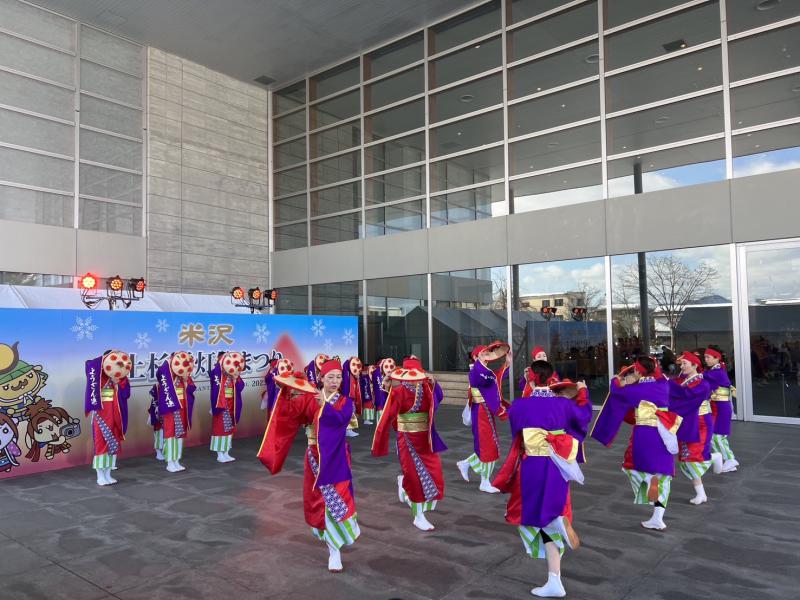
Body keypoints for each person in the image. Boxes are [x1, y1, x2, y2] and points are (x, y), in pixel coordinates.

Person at [492, 360, 588, 598]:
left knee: (529, 515)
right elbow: (583, 418)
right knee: (550, 511)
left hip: (532, 465)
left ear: (531, 379)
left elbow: (515, 430)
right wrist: (583, 392)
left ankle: (555, 572)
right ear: (551, 377)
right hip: (558, 465)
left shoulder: (521, 404)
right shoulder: (563, 404)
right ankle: (554, 575)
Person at [258, 361, 360, 572]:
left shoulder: (345, 402)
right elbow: (292, 414)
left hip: (338, 457)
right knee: (321, 502)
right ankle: (333, 550)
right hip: (315, 457)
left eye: (338, 377)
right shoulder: (310, 398)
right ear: (321, 378)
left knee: (338, 501)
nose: (335, 381)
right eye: (330, 377)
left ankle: (337, 546)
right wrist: (288, 392)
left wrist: (324, 406)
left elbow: (341, 420)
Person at [591, 357, 682, 530]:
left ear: (639, 372)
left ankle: (648, 480)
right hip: (665, 430)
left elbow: (616, 392)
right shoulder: (664, 384)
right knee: (664, 476)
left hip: (645, 433)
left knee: (631, 466)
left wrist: (619, 380)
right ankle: (658, 518)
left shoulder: (636, 390)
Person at [372, 356, 447, 531]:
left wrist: (434, 384)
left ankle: (404, 486)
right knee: (414, 479)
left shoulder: (426, 387)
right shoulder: (399, 391)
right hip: (407, 439)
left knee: (435, 474)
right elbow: (387, 413)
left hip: (426, 439)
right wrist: (386, 390)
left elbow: (438, 400)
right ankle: (418, 516)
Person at [670, 351, 723, 505]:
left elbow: (684, 396)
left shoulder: (702, 384)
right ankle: (701, 493)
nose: (682, 366)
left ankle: (713, 459)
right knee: (687, 458)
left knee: (692, 457)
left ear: (695, 365)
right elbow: (674, 390)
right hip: (688, 420)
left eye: (685, 363)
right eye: (681, 364)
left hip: (700, 423)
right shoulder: (683, 380)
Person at [457, 342, 511, 493]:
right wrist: (481, 362)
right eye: (483, 354)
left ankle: (467, 464)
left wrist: (506, 364)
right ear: (475, 357)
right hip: (480, 411)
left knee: (488, 446)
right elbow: (488, 380)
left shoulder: (482, 370)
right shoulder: (476, 370)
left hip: (484, 411)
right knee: (488, 447)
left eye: (487, 354)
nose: (487, 356)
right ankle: (484, 482)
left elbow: (495, 379)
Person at [84, 350, 131, 486]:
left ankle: (108, 474)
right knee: (101, 444)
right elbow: (89, 366)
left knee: (113, 443)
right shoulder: (97, 375)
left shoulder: (121, 377)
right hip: (101, 413)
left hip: (115, 412)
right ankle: (100, 475)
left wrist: (118, 383)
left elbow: (126, 394)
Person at [152, 352, 196, 473]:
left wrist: (186, 380)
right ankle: (170, 462)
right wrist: (169, 362)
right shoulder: (166, 374)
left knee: (179, 434)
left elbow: (191, 389)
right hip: (170, 408)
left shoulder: (184, 376)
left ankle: (176, 460)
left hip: (182, 407)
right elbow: (160, 372)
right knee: (170, 434)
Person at [704, 346, 739, 472]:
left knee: (717, 436)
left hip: (721, 408)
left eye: (708, 357)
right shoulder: (716, 371)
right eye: (705, 357)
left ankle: (730, 459)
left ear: (717, 358)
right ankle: (728, 461)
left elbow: (703, 377)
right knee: (716, 436)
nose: (706, 359)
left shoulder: (716, 373)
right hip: (719, 407)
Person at [209, 351, 245, 463]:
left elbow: (240, 387)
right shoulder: (216, 373)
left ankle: (226, 452)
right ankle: (219, 454)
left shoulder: (232, 373)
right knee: (220, 429)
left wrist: (236, 377)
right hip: (221, 404)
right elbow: (214, 378)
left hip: (231, 404)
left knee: (229, 429)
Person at [342, 357, 363, 438]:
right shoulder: (347, 373)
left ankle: (348, 430)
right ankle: (348, 430)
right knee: (349, 412)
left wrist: (357, 377)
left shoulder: (353, 375)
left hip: (351, 397)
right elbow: (345, 366)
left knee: (352, 412)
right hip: (347, 396)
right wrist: (348, 361)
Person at [371, 357, 396, 424]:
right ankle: (380, 423)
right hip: (380, 393)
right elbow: (376, 384)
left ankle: (382, 423)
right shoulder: (377, 372)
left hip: (383, 393)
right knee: (380, 407)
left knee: (384, 407)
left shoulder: (380, 372)